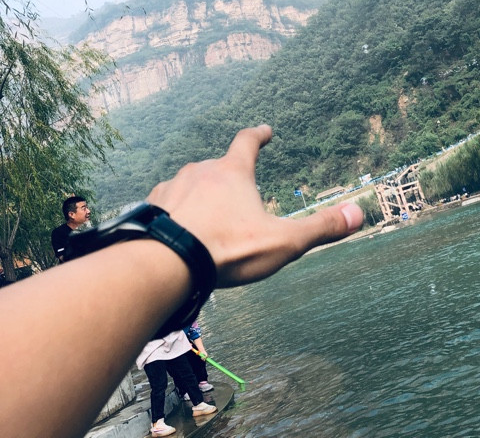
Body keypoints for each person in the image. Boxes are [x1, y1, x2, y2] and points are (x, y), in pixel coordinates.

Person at [0, 125, 363, 438]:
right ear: (70, 214)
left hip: (131, 309)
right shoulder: (62, 236)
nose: (88, 211)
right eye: (82, 209)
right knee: (161, 380)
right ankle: (163, 418)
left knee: (181, 372)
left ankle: (196, 401)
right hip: (123, 309)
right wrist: (173, 249)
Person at [137, 330, 217, 436]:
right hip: (151, 347)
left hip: (173, 341)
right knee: (159, 385)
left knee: (187, 374)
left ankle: (199, 404)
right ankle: (157, 422)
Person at [50, 195, 91, 262]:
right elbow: (64, 258)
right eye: (84, 209)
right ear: (71, 214)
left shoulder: (89, 230)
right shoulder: (58, 233)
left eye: (87, 208)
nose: (88, 211)